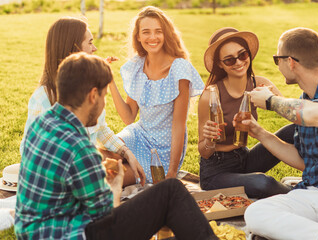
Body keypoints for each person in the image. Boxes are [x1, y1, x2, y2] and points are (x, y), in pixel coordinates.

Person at [15, 53, 218, 240]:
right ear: (93, 96)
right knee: (171, 190)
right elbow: (105, 217)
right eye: (104, 96)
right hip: (73, 234)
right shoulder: (80, 149)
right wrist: (115, 184)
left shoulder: (42, 122)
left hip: (33, 230)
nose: (104, 104)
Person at [244, 27, 318, 240]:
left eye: (276, 59)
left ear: (290, 62)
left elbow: (316, 114)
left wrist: (271, 101)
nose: (277, 66)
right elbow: (304, 161)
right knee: (256, 213)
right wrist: (259, 132)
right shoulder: (305, 100)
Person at [20, 17, 145, 187]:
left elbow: (100, 128)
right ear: (74, 50)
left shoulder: (89, 87)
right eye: (90, 42)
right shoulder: (44, 98)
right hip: (62, 177)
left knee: (123, 159)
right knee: (128, 172)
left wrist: (126, 152)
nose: (95, 48)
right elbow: (30, 151)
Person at [109, 6, 205, 182]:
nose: (152, 37)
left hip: (163, 150)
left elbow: (179, 125)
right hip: (138, 135)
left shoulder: (179, 68)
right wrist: (109, 80)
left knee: (114, 177)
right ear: (138, 36)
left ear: (166, 34)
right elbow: (129, 117)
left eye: (158, 32)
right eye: (146, 32)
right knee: (103, 156)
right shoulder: (138, 65)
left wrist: (172, 172)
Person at [198, 27, 295, 199]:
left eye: (242, 55)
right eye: (229, 60)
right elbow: (204, 152)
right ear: (220, 64)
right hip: (216, 172)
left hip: (245, 158)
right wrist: (209, 140)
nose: (238, 62)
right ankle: (305, 195)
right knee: (263, 183)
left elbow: (294, 113)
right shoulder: (211, 96)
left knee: (293, 130)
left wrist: (273, 102)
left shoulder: (260, 84)